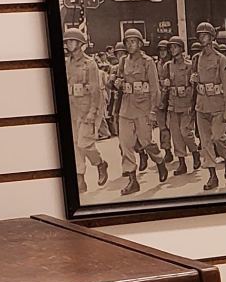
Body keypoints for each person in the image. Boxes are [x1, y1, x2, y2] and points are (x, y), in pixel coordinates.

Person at [112, 27, 163, 195]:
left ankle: (159, 161)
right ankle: (132, 180)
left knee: (146, 141)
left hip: (143, 108)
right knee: (125, 143)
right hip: (126, 108)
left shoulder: (148, 62)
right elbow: (119, 79)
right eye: (127, 42)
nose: (130, 44)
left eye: (133, 41)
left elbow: (155, 88)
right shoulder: (123, 61)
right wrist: (117, 83)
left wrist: (153, 111)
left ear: (140, 44)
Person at [62, 26, 108, 193]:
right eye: (67, 41)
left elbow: (96, 91)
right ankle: (80, 179)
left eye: (72, 41)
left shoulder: (90, 64)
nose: (69, 44)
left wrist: (92, 112)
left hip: (87, 109)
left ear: (80, 43)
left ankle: (100, 163)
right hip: (72, 109)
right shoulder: (67, 63)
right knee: (75, 145)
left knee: (84, 143)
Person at [191, 21, 226, 192]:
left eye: (205, 35)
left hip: (218, 106)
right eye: (200, 35)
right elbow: (194, 79)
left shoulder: (221, 59)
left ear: (212, 37)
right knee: (205, 142)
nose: (202, 38)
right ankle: (212, 176)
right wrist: (193, 80)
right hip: (201, 105)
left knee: (218, 138)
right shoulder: (196, 59)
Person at [161, 34, 198, 177]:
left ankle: (194, 152)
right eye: (171, 47)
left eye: (175, 47)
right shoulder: (168, 66)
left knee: (185, 132)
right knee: (176, 134)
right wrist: (165, 84)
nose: (172, 49)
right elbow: (163, 83)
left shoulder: (189, 66)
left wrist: (193, 103)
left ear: (181, 49)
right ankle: (182, 162)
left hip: (186, 103)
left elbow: (194, 86)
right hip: (173, 104)